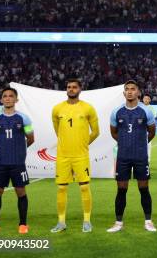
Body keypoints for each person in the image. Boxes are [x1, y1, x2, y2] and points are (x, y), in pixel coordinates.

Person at [50, 79, 100, 233]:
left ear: (80, 89)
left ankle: (86, 221)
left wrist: (84, 143)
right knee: (61, 189)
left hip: (81, 155)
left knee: (84, 187)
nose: (71, 89)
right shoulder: (57, 109)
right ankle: (61, 222)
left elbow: (96, 132)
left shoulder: (88, 108)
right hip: (63, 155)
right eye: (68, 87)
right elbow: (58, 131)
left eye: (74, 87)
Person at [107, 80, 157, 233]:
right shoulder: (116, 111)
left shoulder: (146, 111)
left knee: (144, 188)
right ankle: (118, 222)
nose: (129, 91)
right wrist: (125, 143)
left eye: (133, 89)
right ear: (124, 93)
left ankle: (148, 221)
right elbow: (114, 132)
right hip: (123, 156)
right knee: (121, 189)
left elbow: (152, 132)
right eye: (127, 89)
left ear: (138, 92)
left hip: (140, 156)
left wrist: (140, 144)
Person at [0, 87, 34, 235]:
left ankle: (23, 224)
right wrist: (4, 149)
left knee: (20, 191)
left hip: (18, 163)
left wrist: (18, 151)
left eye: (11, 96)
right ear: (1, 100)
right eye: (5, 96)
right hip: (0, 162)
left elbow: (31, 139)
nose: (7, 98)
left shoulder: (24, 118)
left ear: (16, 100)